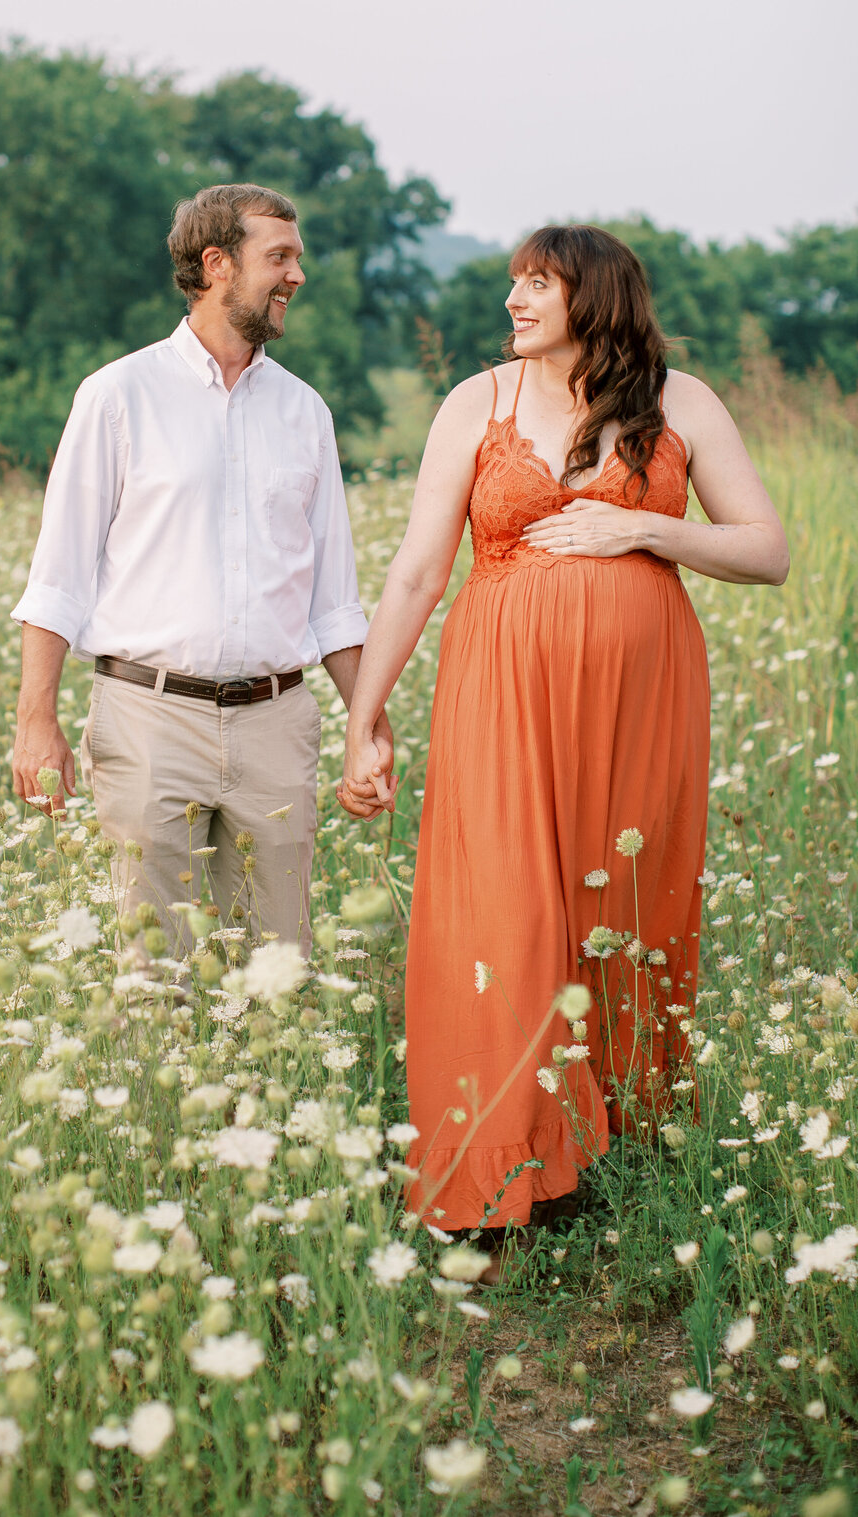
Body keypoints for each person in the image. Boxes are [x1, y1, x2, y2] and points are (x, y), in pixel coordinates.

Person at [338, 223, 788, 1242]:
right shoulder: (476, 405)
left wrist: (644, 528)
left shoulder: (682, 400)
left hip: (643, 701)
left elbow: (768, 551)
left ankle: (612, 1155)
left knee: (622, 905)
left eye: (535, 284)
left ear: (594, 298)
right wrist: (365, 713)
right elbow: (417, 571)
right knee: (504, 910)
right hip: (500, 691)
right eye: (513, 284)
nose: (514, 302)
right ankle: (497, 1175)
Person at [11, 182, 391, 956]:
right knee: (154, 972)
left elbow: (332, 603)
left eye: (298, 257)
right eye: (279, 257)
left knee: (278, 970)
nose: (297, 276)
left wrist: (366, 726)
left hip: (278, 725)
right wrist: (35, 721)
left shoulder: (305, 412)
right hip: (148, 719)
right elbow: (60, 574)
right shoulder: (117, 395)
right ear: (217, 263)